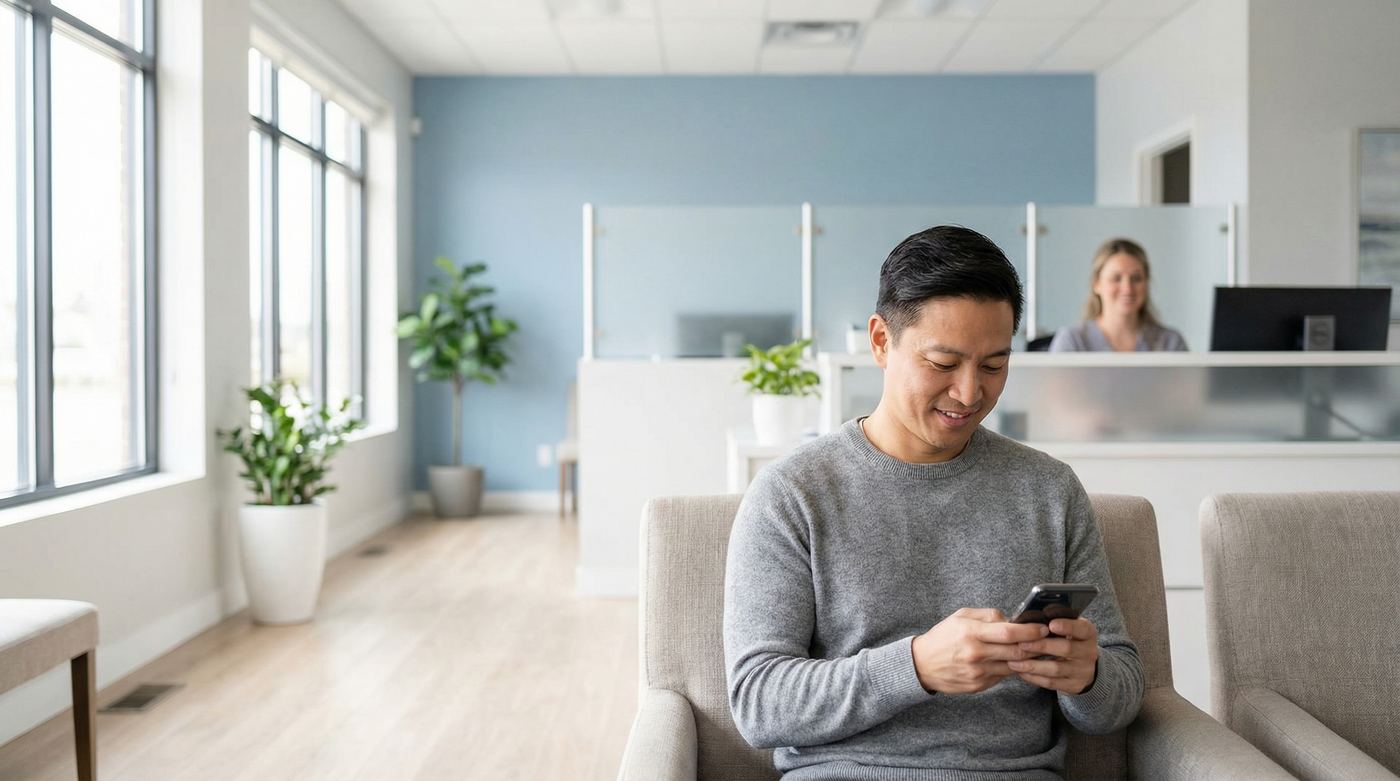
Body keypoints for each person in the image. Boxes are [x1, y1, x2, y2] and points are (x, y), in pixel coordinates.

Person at [724, 226, 1143, 780]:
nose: (970, 394)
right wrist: (917, 665)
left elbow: (1121, 695)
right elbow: (758, 703)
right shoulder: (792, 495)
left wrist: (1087, 675)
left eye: (994, 366)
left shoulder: (1050, 490)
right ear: (880, 341)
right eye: (943, 364)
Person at [1048, 238, 1187, 352]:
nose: (1127, 289)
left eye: (1136, 278)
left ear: (1147, 283)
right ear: (1096, 284)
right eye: (1116, 278)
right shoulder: (1072, 341)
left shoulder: (1170, 343)